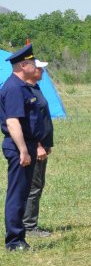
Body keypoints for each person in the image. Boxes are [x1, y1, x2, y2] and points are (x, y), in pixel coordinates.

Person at [2, 44, 40, 251]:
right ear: (23, 65)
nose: (35, 66)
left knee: (22, 193)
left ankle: (19, 238)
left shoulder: (22, 86)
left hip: (26, 145)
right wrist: (23, 150)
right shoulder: (14, 88)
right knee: (17, 194)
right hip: (18, 147)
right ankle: (14, 241)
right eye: (32, 63)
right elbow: (13, 122)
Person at [21, 58, 54, 238]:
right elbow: (30, 123)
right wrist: (39, 145)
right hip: (34, 147)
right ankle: (29, 226)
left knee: (38, 184)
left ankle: (30, 223)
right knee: (33, 186)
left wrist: (47, 144)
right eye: (39, 69)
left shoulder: (36, 88)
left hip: (41, 147)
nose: (42, 71)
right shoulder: (26, 91)